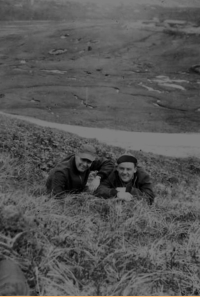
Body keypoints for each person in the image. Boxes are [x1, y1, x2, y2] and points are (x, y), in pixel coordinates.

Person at [46, 144, 115, 198]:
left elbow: (109, 163)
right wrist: (81, 200)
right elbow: (57, 197)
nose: (85, 164)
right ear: (76, 155)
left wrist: (98, 178)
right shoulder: (61, 172)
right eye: (83, 159)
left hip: (78, 190)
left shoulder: (88, 162)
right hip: (63, 195)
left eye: (89, 161)